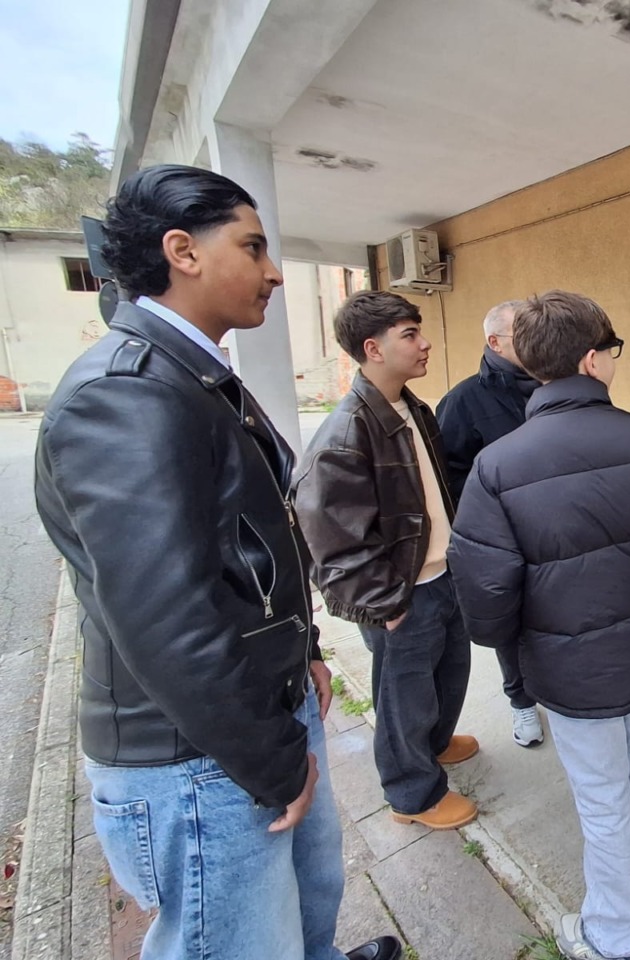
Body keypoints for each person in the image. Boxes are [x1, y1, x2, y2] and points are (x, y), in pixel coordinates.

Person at [33, 165, 400, 960]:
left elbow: (248, 546)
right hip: (198, 753)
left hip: (254, 710)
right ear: (182, 251)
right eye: (254, 246)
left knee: (304, 902)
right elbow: (165, 619)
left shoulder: (195, 375)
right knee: (239, 940)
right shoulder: (124, 396)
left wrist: (300, 653)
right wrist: (272, 758)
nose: (273, 271)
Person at [448, 291, 630, 960]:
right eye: (612, 351)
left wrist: (531, 631)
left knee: (603, 797)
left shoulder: (498, 466)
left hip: (566, 665)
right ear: (592, 360)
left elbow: (486, 596)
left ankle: (620, 936)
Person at [293, 290, 477, 832]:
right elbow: (330, 532)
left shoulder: (412, 407)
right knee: (404, 700)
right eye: (410, 335)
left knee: (448, 677)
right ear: (373, 348)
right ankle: (412, 794)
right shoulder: (346, 432)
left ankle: (434, 746)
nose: (426, 344)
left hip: (444, 575)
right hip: (403, 594)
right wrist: (384, 604)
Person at [435, 299, 545, 747]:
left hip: (555, 532)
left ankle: (552, 689)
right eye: (524, 332)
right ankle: (521, 702)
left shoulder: (551, 386)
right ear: (494, 342)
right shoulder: (463, 402)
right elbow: (449, 478)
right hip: (503, 541)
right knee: (511, 625)